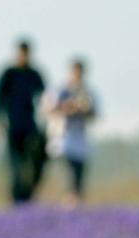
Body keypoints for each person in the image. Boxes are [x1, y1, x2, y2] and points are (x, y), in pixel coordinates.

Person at [0, 39, 46, 204]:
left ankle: (28, 195)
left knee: (34, 164)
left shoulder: (35, 74)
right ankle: (18, 200)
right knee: (15, 166)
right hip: (13, 126)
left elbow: (45, 98)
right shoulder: (8, 74)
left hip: (31, 126)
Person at [46, 59, 98, 207]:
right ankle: (69, 198)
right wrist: (67, 107)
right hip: (63, 136)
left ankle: (74, 199)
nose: (77, 75)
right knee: (69, 170)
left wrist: (83, 110)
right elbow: (48, 108)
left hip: (80, 137)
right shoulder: (60, 90)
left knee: (79, 171)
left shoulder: (88, 92)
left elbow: (94, 113)